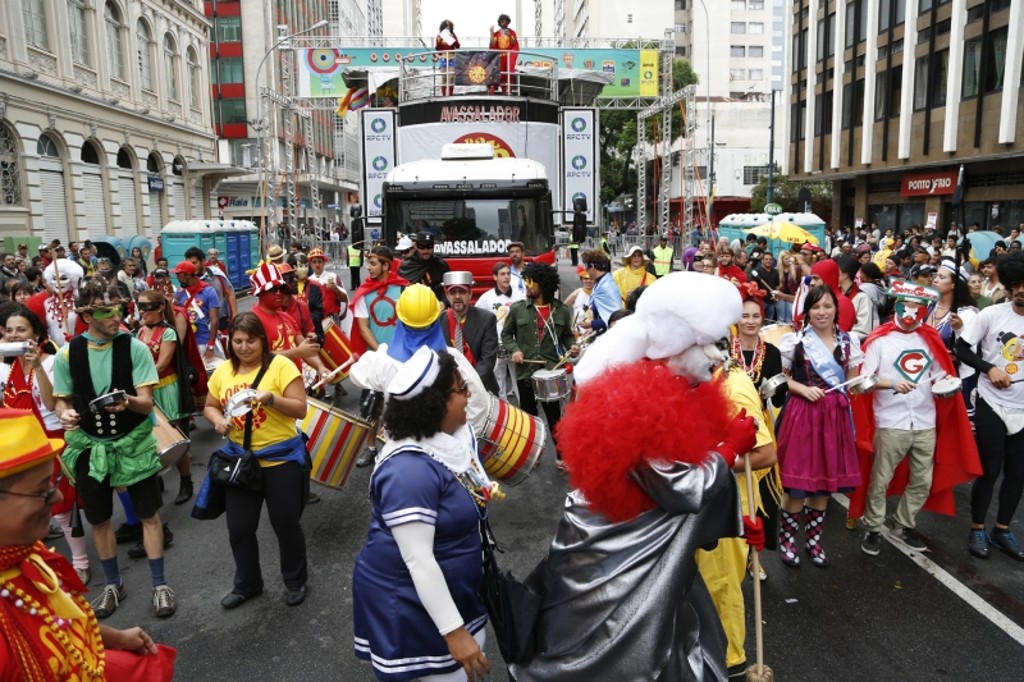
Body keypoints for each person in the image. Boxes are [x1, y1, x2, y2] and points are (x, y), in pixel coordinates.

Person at [511, 272, 756, 681]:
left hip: (638, 548)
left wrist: (731, 521)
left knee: (674, 636)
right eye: (711, 344)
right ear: (679, 346)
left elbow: (672, 492)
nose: (719, 356)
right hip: (616, 555)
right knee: (623, 652)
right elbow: (681, 487)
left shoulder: (669, 388)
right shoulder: (641, 404)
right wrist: (731, 448)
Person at [0, 409, 177, 680]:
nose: (58, 495)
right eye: (40, 491)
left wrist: (114, 638)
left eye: (53, 481)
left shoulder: (26, 555)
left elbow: (61, 619)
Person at [352, 347, 495, 681]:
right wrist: (454, 631)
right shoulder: (407, 472)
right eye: (461, 390)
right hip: (408, 602)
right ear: (435, 404)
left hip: (451, 590)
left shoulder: (449, 438)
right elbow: (419, 559)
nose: (468, 395)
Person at [52, 280, 177, 618]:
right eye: (107, 311)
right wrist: (65, 413)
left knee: (150, 515)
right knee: (100, 519)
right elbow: (61, 399)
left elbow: (146, 402)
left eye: (120, 308)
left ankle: (160, 584)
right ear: (86, 314)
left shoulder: (134, 347)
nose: (117, 316)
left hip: (133, 443)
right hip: (90, 447)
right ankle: (112, 584)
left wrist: (128, 402)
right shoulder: (68, 353)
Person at [203, 313, 311, 608]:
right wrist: (217, 422)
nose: (244, 347)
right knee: (239, 528)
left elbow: (300, 409)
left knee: (285, 524)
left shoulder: (281, 366)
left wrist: (270, 399)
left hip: (281, 459)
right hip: (242, 461)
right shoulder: (224, 371)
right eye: (237, 341)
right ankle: (248, 584)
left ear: (262, 340)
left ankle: (295, 581)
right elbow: (210, 406)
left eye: (251, 340)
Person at [1, 306, 91, 587]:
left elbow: (53, 404)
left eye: (22, 330)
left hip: (57, 439)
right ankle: (80, 562)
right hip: (26, 444)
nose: (15, 335)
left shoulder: (54, 361)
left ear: (36, 334)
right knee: (58, 507)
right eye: (10, 330)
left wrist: (37, 367)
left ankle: (137, 523)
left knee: (87, 494)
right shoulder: (5, 368)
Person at [775, 284, 864, 568]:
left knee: (823, 486)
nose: (822, 312)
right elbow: (780, 378)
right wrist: (801, 388)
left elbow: (854, 382)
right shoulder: (795, 341)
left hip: (834, 419)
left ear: (836, 309)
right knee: (796, 484)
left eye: (827, 306)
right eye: (815, 307)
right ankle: (788, 540)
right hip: (802, 415)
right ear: (807, 311)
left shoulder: (849, 342)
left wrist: (890, 383)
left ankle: (814, 541)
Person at [955, 252, 1024, 561]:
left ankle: (1002, 529)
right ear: (1008, 286)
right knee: (990, 469)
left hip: (1022, 407)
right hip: (992, 402)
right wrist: (988, 368)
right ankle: (977, 528)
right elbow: (961, 347)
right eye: (1015, 285)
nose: (1021, 290)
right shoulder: (992, 315)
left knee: (1018, 474)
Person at [501, 262, 578, 466]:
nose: (526, 286)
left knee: (554, 418)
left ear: (542, 284)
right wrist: (515, 350)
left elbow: (568, 337)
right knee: (528, 418)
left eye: (530, 282)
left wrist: (573, 347)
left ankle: (562, 457)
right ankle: (531, 457)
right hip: (526, 372)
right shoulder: (518, 309)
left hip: (550, 371)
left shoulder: (561, 311)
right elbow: (506, 334)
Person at [135, 290, 194, 506]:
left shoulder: (168, 333)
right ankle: (156, 478)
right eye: (139, 306)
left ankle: (186, 481)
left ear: (160, 308)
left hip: (166, 389)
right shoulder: (139, 332)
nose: (142, 311)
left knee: (175, 438)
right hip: (145, 390)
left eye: (147, 307)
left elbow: (160, 366)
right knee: (151, 438)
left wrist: (137, 377)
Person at [442, 271, 499, 395]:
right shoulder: (438, 321)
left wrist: (471, 388)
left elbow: (487, 360)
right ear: (447, 295)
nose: (457, 296)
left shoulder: (486, 319)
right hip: (449, 390)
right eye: (453, 292)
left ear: (470, 294)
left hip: (480, 387)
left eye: (462, 292)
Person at [475, 261, 520, 401]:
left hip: (516, 345)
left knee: (519, 380)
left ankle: (525, 411)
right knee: (498, 382)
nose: (506, 277)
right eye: (502, 274)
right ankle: (503, 413)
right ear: (495, 277)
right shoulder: (486, 298)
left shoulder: (520, 296)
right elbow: (476, 316)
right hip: (496, 345)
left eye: (508, 274)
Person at [172, 260, 221, 367]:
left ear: (188, 275)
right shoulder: (179, 293)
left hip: (204, 342)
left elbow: (214, 320)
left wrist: (211, 345)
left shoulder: (208, 291)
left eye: (179, 275)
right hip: (188, 343)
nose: (177, 278)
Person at [185, 247, 236, 335]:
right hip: (200, 325)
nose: (191, 267)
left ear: (203, 262)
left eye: (194, 263)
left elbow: (230, 293)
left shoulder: (217, 274)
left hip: (222, 321)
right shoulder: (188, 280)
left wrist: (235, 315)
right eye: (189, 264)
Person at [579, 248, 621, 334]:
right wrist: (592, 329)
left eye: (586, 266)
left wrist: (591, 324)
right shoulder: (600, 282)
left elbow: (614, 319)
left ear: (592, 266)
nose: (586, 270)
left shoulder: (606, 286)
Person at [397, 232, 450, 301]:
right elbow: (401, 293)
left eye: (429, 246)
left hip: (437, 307)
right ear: (416, 246)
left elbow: (449, 289)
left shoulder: (440, 265)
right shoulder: (406, 267)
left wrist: (444, 303)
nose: (425, 251)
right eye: (421, 247)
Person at [308, 246, 348, 332]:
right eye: (314, 262)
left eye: (320, 261)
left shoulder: (333, 276)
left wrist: (335, 288)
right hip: (315, 320)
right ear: (311, 264)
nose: (317, 264)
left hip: (332, 318)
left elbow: (344, 299)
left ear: (324, 262)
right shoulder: (308, 281)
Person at [489, 13, 519, 95]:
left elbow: (514, 43)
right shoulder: (497, 33)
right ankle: (497, 89)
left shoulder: (512, 32)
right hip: (500, 57)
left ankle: (508, 90)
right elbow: (493, 44)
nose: (504, 23)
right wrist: (491, 33)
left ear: (508, 22)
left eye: (506, 21)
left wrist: (509, 36)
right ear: (500, 23)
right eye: (502, 21)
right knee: (500, 73)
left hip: (509, 56)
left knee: (509, 72)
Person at [564, 264, 595, 338]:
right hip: (577, 333)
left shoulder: (599, 294)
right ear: (581, 279)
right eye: (585, 278)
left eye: (591, 278)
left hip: (593, 332)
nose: (588, 281)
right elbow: (563, 308)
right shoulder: (577, 293)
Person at [435, 19, 460, 96]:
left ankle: (450, 94)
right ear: (443, 27)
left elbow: (458, 46)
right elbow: (437, 49)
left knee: (451, 77)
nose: (447, 28)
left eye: (449, 26)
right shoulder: (439, 36)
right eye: (446, 26)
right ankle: (443, 95)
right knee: (444, 77)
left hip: (451, 57)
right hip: (443, 57)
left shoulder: (453, 34)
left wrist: (453, 39)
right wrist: (439, 42)